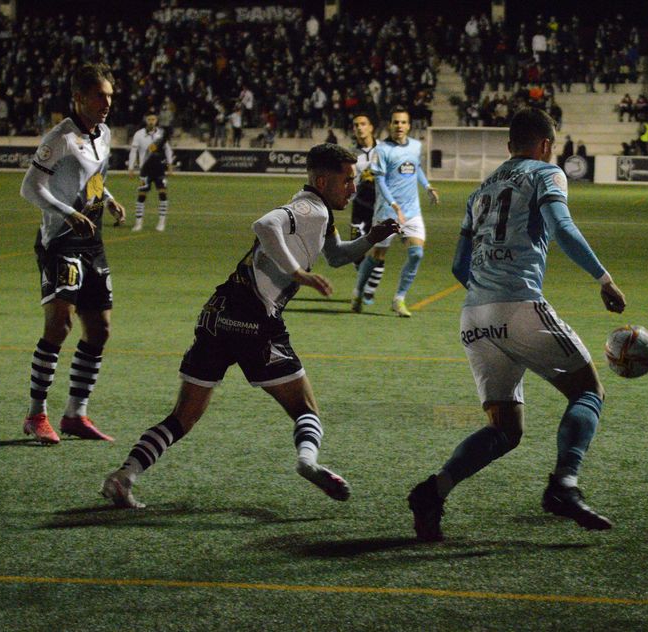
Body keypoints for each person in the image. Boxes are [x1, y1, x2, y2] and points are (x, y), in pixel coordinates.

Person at [100, 144, 399, 508]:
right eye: (347, 180)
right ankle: (308, 462)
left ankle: (124, 477)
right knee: (306, 409)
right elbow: (265, 224)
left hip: (218, 312)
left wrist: (371, 238)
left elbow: (336, 257)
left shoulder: (317, 211)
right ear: (323, 181)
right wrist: (299, 273)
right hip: (255, 321)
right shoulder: (310, 208)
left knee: (183, 418)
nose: (353, 188)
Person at [406, 108, 627, 542]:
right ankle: (564, 485)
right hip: (519, 307)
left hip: (474, 316)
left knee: (505, 430)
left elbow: (458, 266)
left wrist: (489, 294)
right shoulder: (546, 173)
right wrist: (604, 279)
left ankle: (433, 491)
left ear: (509, 146)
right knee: (587, 391)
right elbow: (562, 227)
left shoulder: (480, 191)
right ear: (546, 145)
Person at [18, 62, 126, 444]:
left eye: (110, 96)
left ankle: (75, 414)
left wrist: (108, 199)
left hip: (91, 240)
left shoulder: (104, 133)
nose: (107, 103)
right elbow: (30, 187)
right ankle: (36, 414)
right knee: (60, 324)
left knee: (99, 329)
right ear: (78, 97)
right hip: (61, 239)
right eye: (99, 96)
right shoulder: (60, 138)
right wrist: (68, 213)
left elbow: (92, 178)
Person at [351, 106, 439, 316]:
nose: (399, 126)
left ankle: (399, 299)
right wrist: (393, 205)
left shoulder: (416, 146)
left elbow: (416, 167)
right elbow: (380, 180)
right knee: (377, 255)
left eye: (403, 122)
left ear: (408, 126)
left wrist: (427, 187)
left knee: (416, 253)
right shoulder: (382, 150)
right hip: (387, 212)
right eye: (395, 122)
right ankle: (358, 292)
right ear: (390, 125)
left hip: (412, 212)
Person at [347, 113, 386, 306]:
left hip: (380, 208)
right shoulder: (349, 154)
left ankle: (368, 291)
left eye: (363, 124)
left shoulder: (385, 149)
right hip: (359, 208)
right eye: (356, 125)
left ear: (371, 127)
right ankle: (365, 283)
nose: (359, 128)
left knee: (379, 250)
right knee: (355, 251)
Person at [127, 110, 174, 232]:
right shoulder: (139, 134)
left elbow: (167, 149)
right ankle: (138, 223)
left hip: (159, 169)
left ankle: (161, 223)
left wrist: (170, 165)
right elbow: (133, 151)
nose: (151, 122)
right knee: (142, 195)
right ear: (145, 120)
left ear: (156, 120)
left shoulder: (161, 134)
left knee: (163, 194)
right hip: (145, 170)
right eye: (149, 119)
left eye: (153, 119)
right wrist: (131, 167)